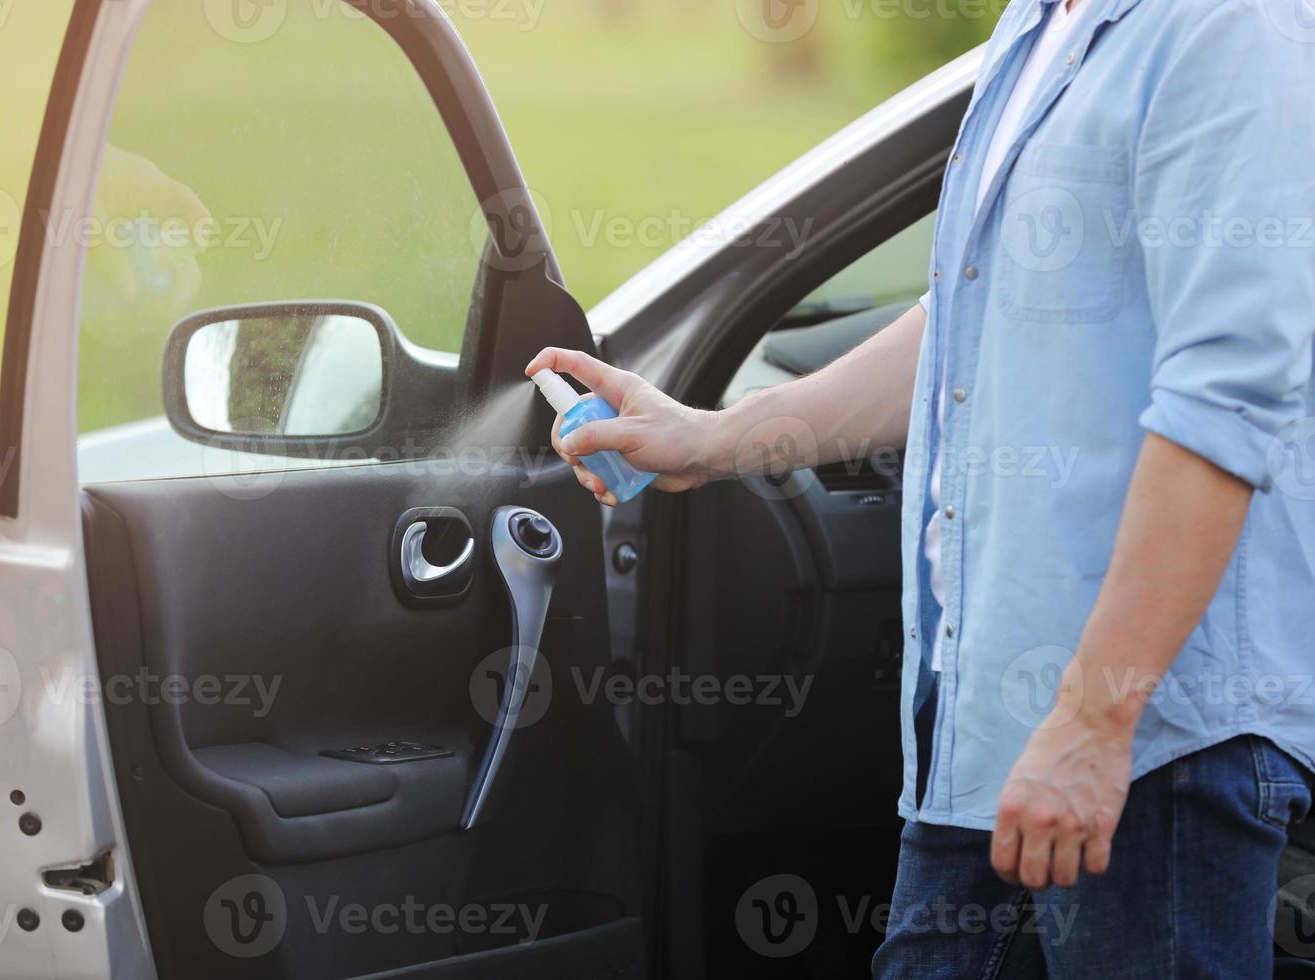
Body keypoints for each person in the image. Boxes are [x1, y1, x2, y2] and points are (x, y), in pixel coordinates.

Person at [526, 0, 1315, 973]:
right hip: (987, 713)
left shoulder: (1229, 26)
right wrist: (715, 436)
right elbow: (973, 309)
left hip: (1144, 744)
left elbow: (1225, 400)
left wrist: (1095, 717)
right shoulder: (1042, 20)